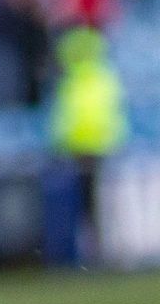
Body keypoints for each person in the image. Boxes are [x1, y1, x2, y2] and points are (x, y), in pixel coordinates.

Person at [44, 24, 128, 268]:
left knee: (87, 206)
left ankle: (92, 254)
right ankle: (100, 252)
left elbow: (62, 118)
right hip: (99, 147)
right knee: (99, 205)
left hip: (81, 149)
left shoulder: (70, 80)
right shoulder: (104, 76)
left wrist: (58, 144)